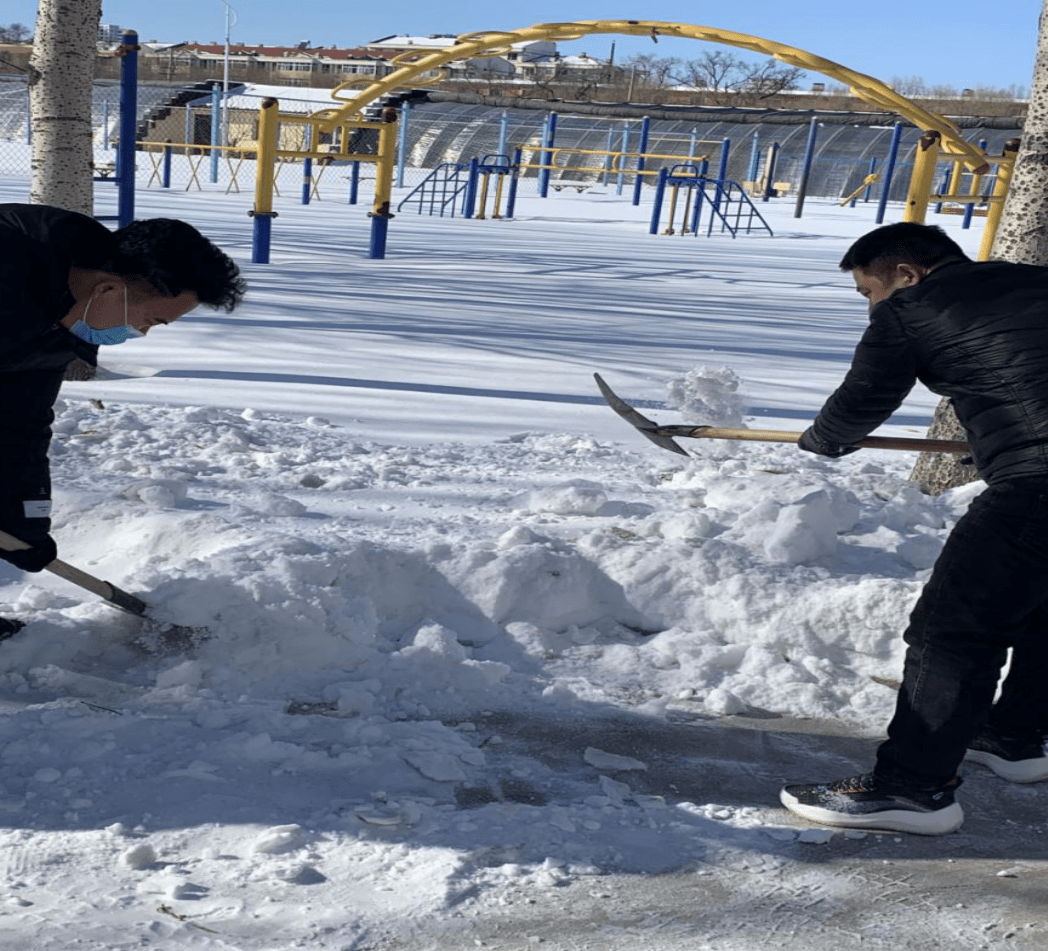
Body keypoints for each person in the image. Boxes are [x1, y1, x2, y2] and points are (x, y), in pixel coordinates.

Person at [779, 221, 1048, 835]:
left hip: (1040, 483)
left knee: (953, 631)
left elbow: (863, 400)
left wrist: (824, 440)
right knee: (1039, 602)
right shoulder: (1033, 284)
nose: (872, 305)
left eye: (868, 291)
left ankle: (912, 787)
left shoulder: (910, 310)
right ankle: (1016, 737)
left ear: (906, 274)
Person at [0, 203, 246, 638]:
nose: (143, 334)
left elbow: (23, 423)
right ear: (111, 289)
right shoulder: (9, 264)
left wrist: (26, 519)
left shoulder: (62, 321)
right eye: (151, 321)